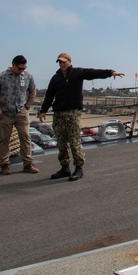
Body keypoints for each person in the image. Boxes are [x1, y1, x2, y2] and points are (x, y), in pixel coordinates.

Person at [38, 52, 123, 181]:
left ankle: (78, 168)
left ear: (70, 61)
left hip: (73, 112)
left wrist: (111, 73)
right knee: (61, 142)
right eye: (60, 62)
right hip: (59, 113)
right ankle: (65, 167)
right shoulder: (55, 78)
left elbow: (93, 73)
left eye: (64, 62)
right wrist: (43, 110)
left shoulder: (78, 73)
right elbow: (49, 95)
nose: (62, 64)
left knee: (74, 140)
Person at [0, 55, 38, 175]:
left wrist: (27, 105)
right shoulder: (1, 77)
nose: (22, 71)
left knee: (25, 137)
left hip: (21, 112)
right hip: (5, 113)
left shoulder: (28, 76)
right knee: (4, 139)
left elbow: (33, 90)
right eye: (20, 68)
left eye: (24, 68)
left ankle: (27, 163)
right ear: (13, 65)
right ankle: (4, 164)